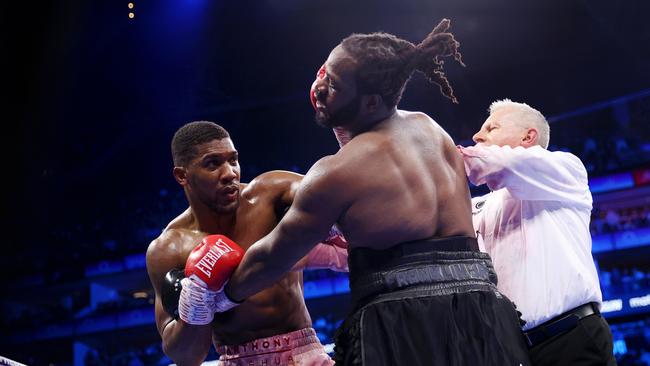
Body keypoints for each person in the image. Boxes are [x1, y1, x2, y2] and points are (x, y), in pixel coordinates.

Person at [211, 19, 532, 366]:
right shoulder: (429, 127)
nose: (319, 87)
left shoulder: (336, 172)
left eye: (333, 85)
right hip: (480, 311)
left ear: (370, 103)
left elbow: (274, 256)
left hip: (404, 322)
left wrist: (216, 295)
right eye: (323, 72)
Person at [145, 121, 348, 366]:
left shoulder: (271, 193)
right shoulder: (168, 249)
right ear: (182, 175)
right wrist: (196, 301)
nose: (230, 172)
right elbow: (186, 357)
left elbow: (333, 192)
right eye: (213, 163)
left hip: (304, 356)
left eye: (233, 160)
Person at [459, 99, 616, 366]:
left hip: (570, 339)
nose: (477, 136)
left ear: (528, 136)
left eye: (492, 127)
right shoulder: (478, 206)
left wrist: (436, 155)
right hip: (511, 351)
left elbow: (495, 163)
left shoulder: (565, 170)